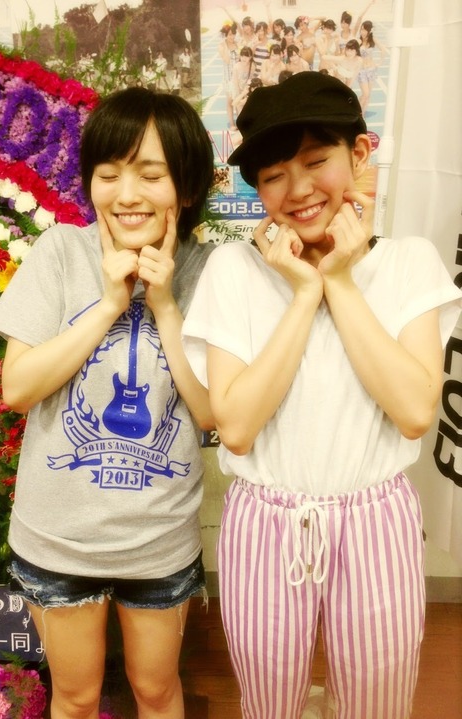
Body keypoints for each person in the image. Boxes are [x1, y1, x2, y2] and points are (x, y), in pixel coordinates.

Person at [181, 72, 462, 719]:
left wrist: (338, 279)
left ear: (358, 153)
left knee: (377, 699)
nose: (299, 189)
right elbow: (237, 427)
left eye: (316, 161)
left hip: (376, 517)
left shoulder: (408, 262)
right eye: (275, 174)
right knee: (268, 700)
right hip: (265, 518)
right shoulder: (234, 269)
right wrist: (304, 293)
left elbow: (415, 412)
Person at [0, 86, 216, 719]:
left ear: (186, 187)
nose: (126, 194)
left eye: (151, 174)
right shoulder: (62, 252)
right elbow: (18, 388)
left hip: (160, 537)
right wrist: (112, 303)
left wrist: (164, 305)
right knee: (76, 696)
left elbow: (212, 414)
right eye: (109, 174)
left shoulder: (211, 271)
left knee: (157, 691)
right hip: (58, 536)